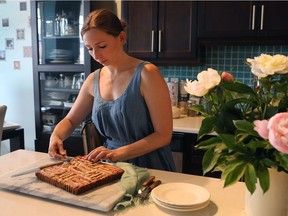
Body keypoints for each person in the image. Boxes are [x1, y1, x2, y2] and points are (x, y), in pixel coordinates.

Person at [48, 9, 176, 171]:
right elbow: (71, 120)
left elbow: (163, 135)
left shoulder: (147, 74)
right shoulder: (93, 80)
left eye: (102, 46)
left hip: (150, 166)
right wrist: (56, 136)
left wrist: (117, 153)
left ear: (121, 38)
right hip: (112, 166)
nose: (96, 55)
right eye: (89, 48)